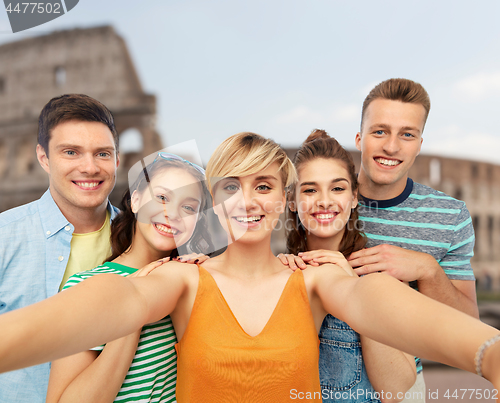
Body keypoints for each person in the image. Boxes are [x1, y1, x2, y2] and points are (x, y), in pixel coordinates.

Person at [0, 133, 498, 403]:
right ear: (214, 204)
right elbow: (115, 299)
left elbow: (378, 301)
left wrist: (487, 353)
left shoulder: (315, 279)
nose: (247, 201)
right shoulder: (185, 277)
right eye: (231, 187)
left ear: (284, 201)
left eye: (263, 186)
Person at [46, 153, 213, 403]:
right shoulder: (85, 286)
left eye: (188, 207)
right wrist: (134, 312)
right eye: (162, 197)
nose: (172, 213)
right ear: (136, 200)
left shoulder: (196, 281)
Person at [0, 94, 120, 403]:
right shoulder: (5, 236)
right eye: (71, 152)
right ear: (43, 157)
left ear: (117, 160)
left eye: (103, 154)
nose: (90, 167)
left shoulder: (143, 239)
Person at [282, 129, 417, 403]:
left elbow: (396, 390)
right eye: (310, 189)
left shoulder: (381, 274)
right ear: (292, 201)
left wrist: (360, 291)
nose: (324, 200)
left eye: (338, 188)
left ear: (354, 197)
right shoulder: (280, 272)